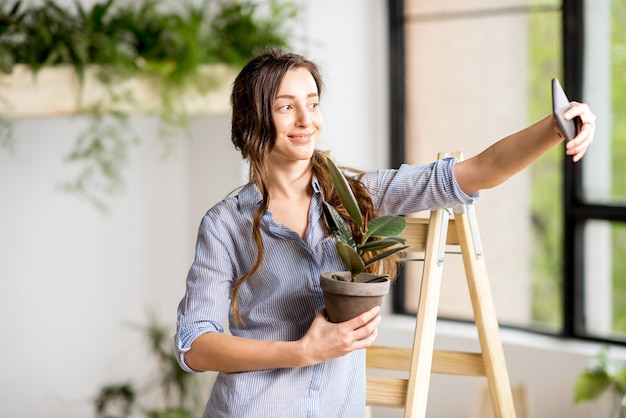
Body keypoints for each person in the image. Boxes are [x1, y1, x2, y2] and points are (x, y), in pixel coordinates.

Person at [175, 47, 595, 417]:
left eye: (314, 104)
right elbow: (195, 343)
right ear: (251, 120)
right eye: (286, 107)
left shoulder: (358, 197)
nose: (307, 120)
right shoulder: (225, 224)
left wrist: (555, 127)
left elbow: (475, 173)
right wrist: (303, 352)